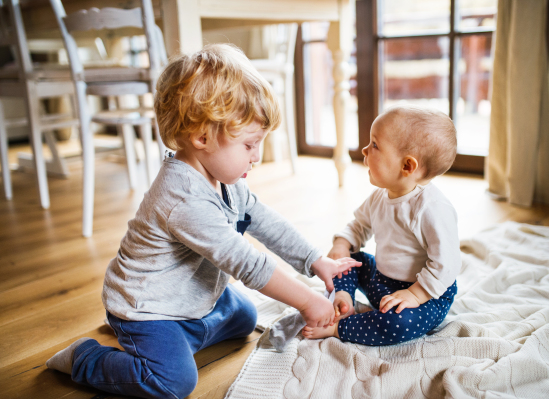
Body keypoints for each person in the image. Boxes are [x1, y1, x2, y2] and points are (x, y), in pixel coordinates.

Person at [45, 44, 360, 399]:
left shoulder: (226, 180)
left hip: (188, 299)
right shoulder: (182, 198)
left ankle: (179, 335)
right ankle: (85, 358)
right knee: (174, 382)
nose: (257, 156)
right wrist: (308, 301)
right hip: (147, 309)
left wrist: (317, 262)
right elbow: (247, 263)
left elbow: (266, 222)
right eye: (250, 144)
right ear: (202, 138)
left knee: (243, 317)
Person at [302, 106, 461, 346]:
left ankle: (340, 328)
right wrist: (342, 244)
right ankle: (344, 299)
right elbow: (358, 226)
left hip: (425, 296)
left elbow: (446, 265)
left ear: (407, 166)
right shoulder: (380, 197)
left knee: (398, 325)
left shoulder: (432, 208)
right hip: (382, 281)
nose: (365, 149)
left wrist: (415, 294)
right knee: (350, 259)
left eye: (374, 145)